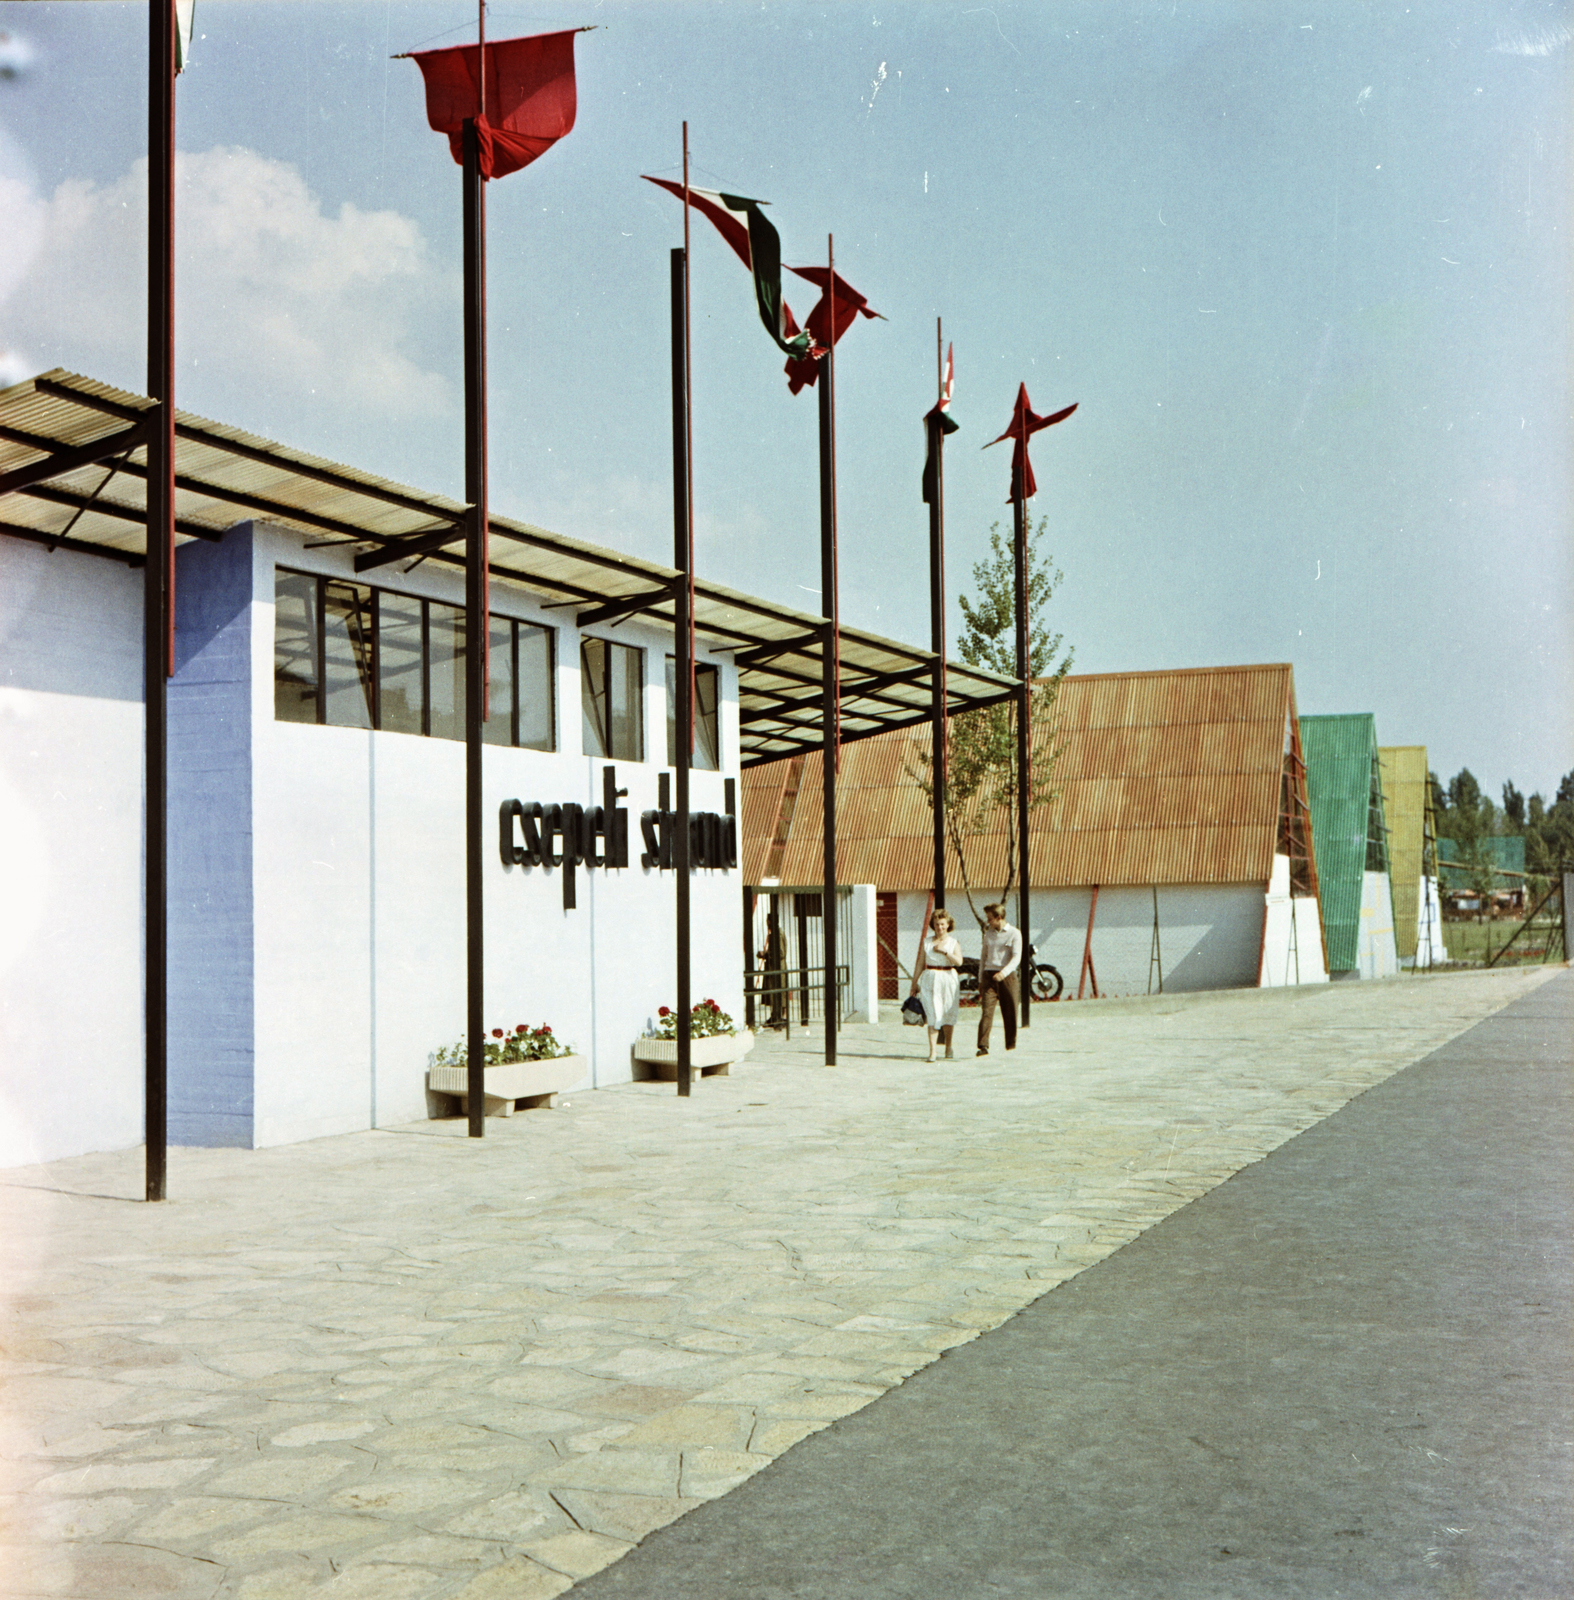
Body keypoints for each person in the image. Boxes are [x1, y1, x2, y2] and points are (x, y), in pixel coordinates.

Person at [911, 908, 963, 1061]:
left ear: (948, 925)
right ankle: (933, 1051)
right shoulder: (927, 942)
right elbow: (920, 963)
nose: (939, 927)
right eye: (936, 924)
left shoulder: (953, 942)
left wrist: (944, 952)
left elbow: (959, 962)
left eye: (942, 924)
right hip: (930, 978)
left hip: (948, 978)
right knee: (933, 1013)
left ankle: (948, 1046)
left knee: (947, 1012)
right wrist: (914, 983)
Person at [976, 902, 1021, 1056]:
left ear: (999, 917)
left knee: (1010, 1011)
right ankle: (983, 1046)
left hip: (1007, 977)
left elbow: (1016, 958)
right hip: (989, 975)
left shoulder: (1014, 933)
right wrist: (980, 979)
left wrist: (1004, 972)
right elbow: (983, 957)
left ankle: (1010, 1044)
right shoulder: (988, 934)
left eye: (990, 918)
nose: (988, 921)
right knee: (986, 1011)